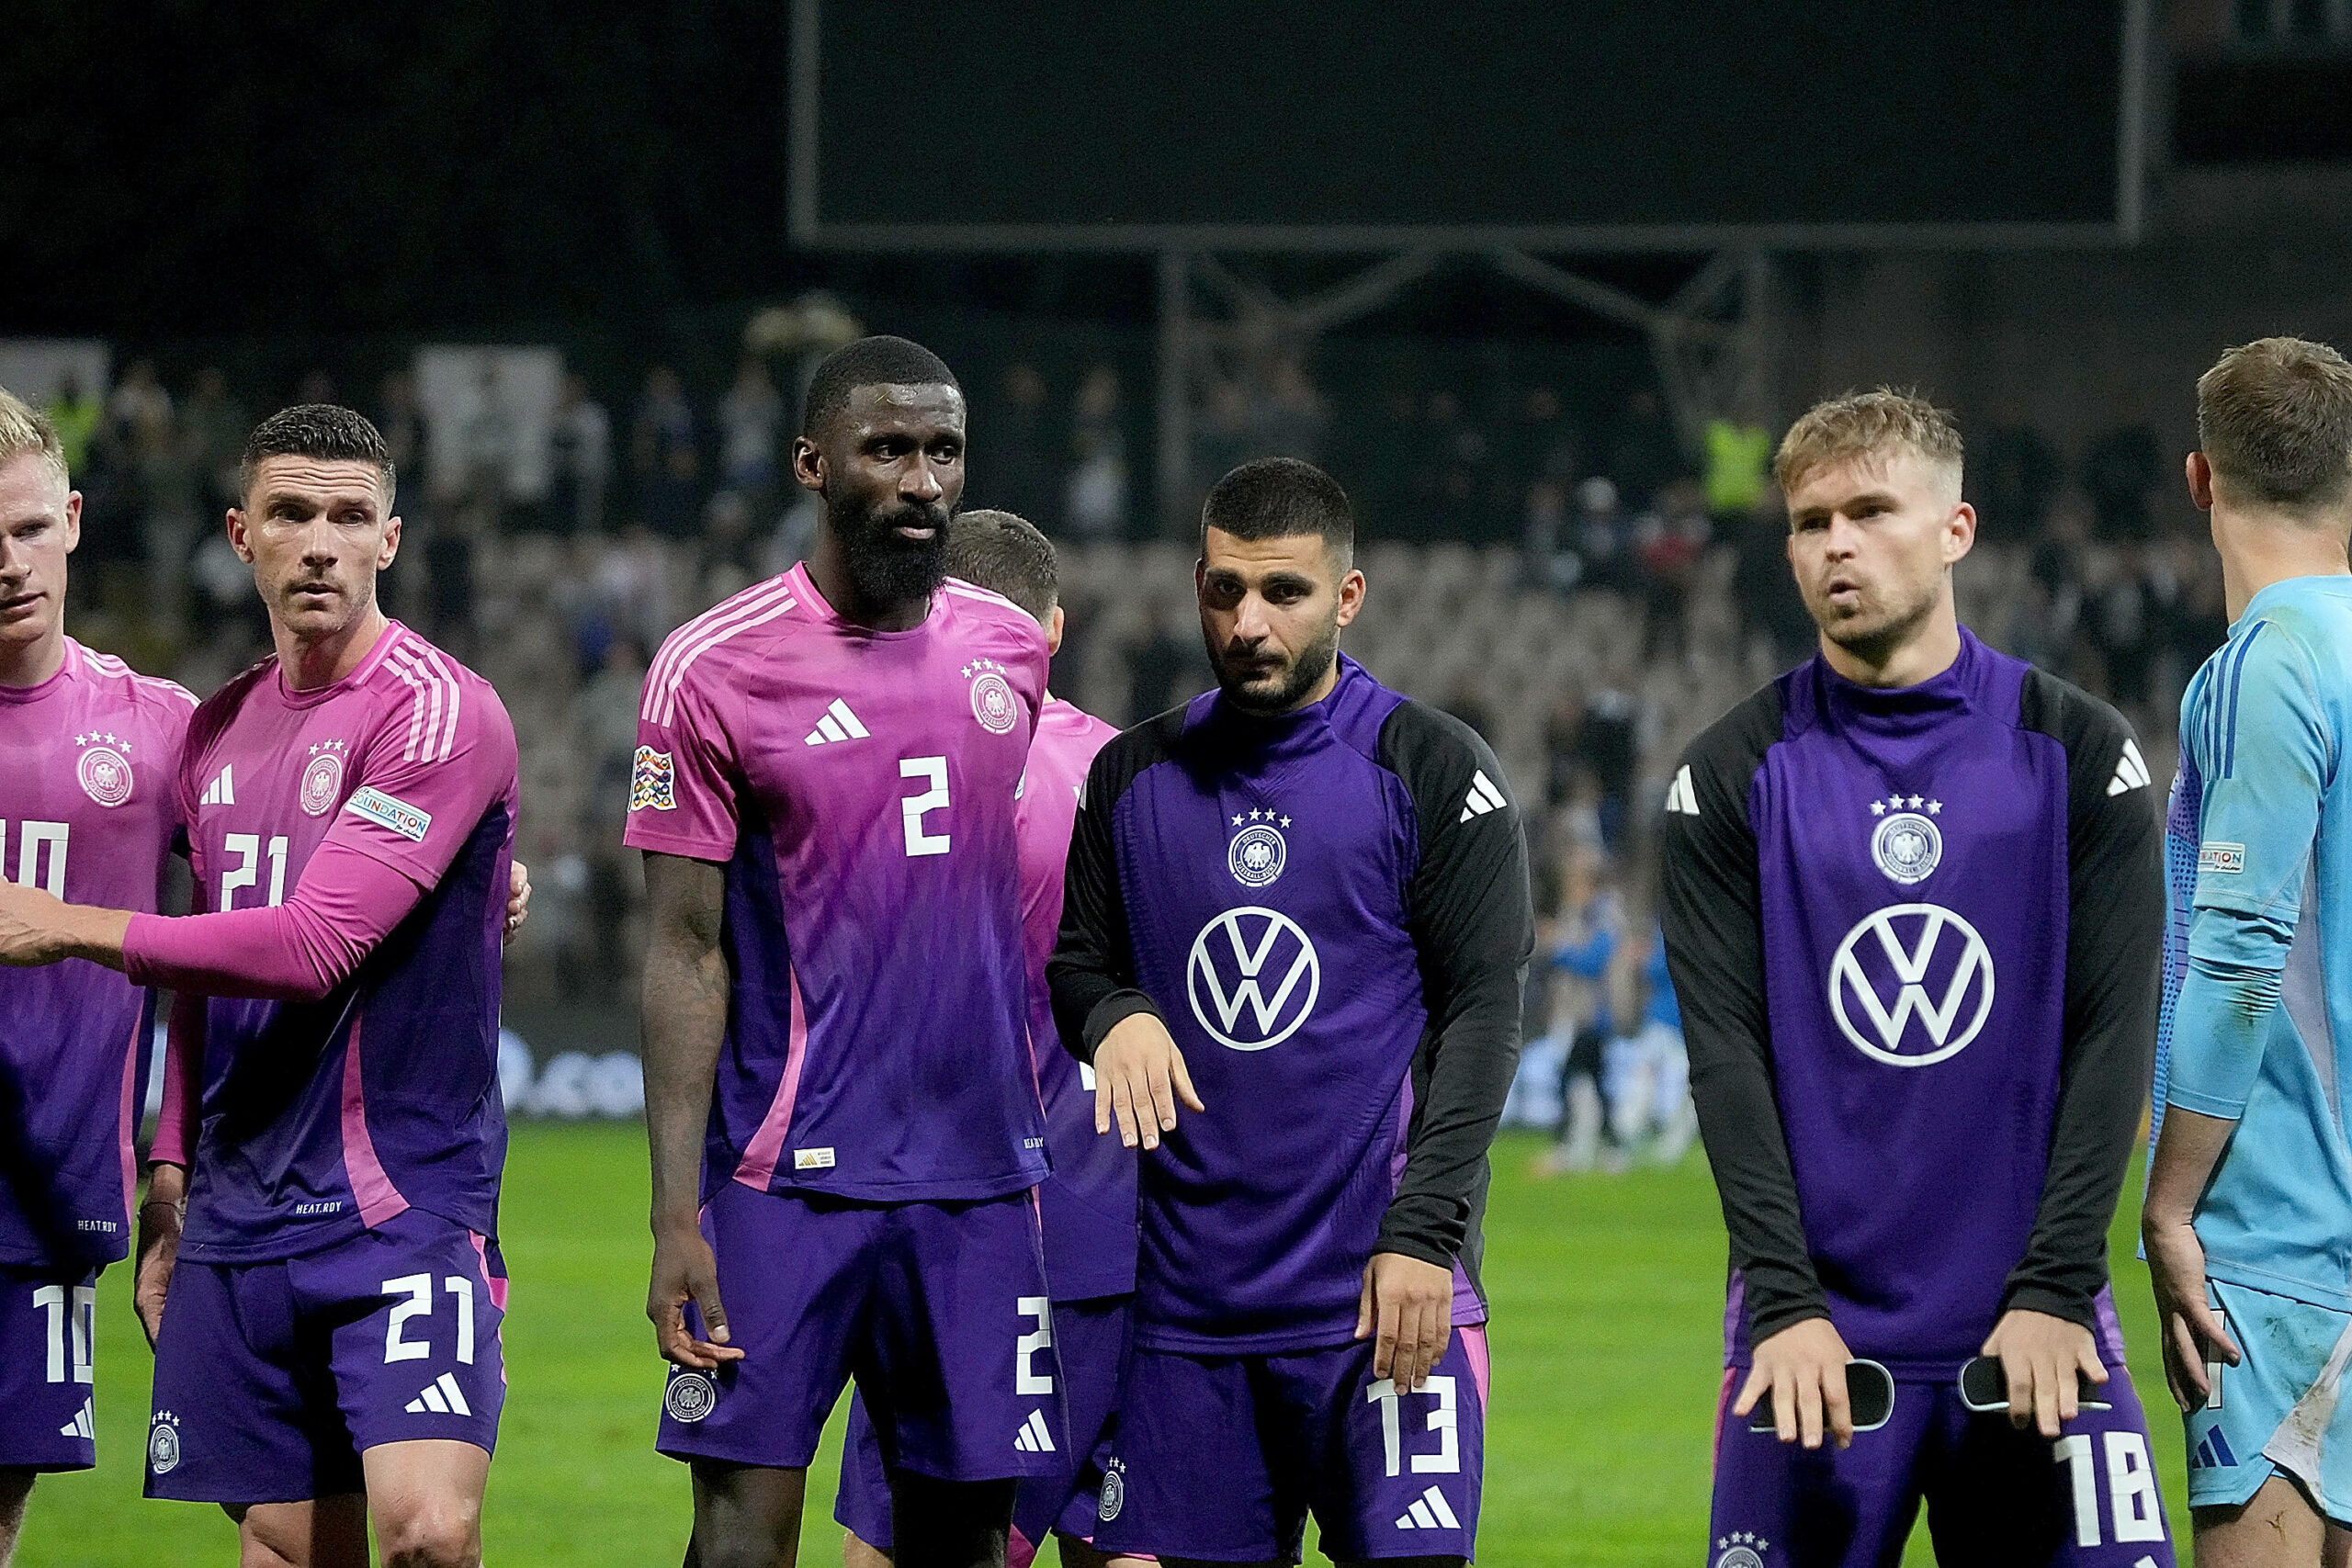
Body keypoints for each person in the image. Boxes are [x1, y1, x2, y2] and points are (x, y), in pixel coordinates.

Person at [0, 403, 527, 1568]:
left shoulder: (438, 709)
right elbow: (202, 967)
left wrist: (62, 928)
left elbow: (309, 946)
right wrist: (173, 1173)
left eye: (350, 517)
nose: (322, 543)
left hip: (400, 1201)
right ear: (244, 536)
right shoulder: (215, 732)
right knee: (287, 1549)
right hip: (240, 1215)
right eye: (292, 515)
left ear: (391, 540)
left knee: (430, 1535)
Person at [1661, 389, 2175, 1566]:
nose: (1835, 543)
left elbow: (2113, 1035)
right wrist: (1782, 1308)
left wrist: (2054, 1285)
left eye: (1870, 511)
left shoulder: (2080, 755)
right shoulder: (1729, 775)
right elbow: (1726, 1064)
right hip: (1815, 1350)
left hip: (2039, 1331)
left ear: (1955, 529)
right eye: (1809, 521)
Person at [1049, 457, 1533, 1567]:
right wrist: (1114, 1012)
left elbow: (1483, 1020)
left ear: (1346, 599)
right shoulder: (1132, 779)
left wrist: (1426, 1238)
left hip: (1382, 1303)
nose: (1248, 623)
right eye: (1224, 591)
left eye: (1284, 593)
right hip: (1189, 1321)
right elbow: (1076, 962)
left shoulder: (1430, 768)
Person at [634, 337, 1055, 1568]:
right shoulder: (714, 664)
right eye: (887, 449)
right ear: (814, 463)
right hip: (783, 1182)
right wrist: (674, 1210)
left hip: (977, 1179)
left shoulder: (1009, 649)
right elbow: (682, 947)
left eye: (943, 451)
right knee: (739, 1537)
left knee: (969, 1535)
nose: (921, 479)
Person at [834, 510, 1133, 1568]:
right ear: (1052, 627)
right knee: (1126, 1540)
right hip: (1115, 1236)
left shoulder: (879, 766)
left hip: (942, 1224)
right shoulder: (1129, 778)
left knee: (910, 1544)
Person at [2142, 337, 2352, 1566]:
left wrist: (2171, 1205)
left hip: (2281, 1240)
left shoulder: (2268, 665)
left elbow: (2237, 954)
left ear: (2200, 479)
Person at [0, 388, 196, 1562]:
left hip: (45, 1190)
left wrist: (479, 881)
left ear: (70, 521)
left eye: (26, 528)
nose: (7, 561)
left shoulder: (159, 727)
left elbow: (292, 893)